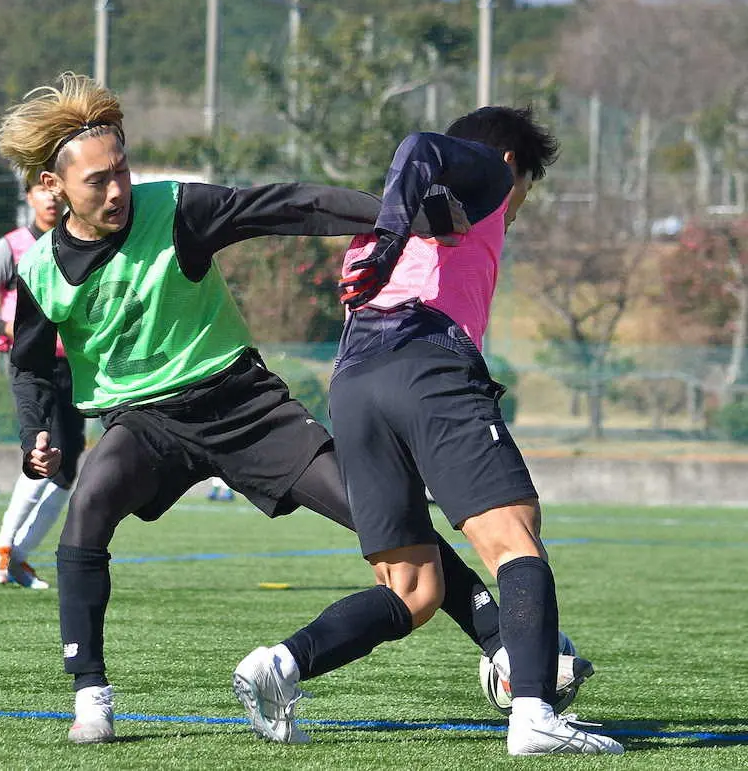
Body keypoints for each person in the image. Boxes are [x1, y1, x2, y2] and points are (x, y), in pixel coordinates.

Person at [0, 73, 575, 746]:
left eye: (122, 170)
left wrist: (397, 214)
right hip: (144, 421)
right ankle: (90, 694)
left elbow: (284, 205)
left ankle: (503, 643)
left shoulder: (174, 207)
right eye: (98, 181)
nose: (118, 189)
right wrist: (36, 427)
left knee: (384, 518)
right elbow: (31, 364)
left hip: (242, 404)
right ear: (52, 185)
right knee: (87, 508)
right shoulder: (36, 271)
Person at [233, 107, 624, 756]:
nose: (520, 202)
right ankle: (533, 712)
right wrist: (392, 237)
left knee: (414, 590)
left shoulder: (395, 207)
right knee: (514, 536)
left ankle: (278, 665)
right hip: (428, 359)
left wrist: (384, 236)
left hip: (354, 383)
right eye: (529, 183)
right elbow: (420, 146)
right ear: (509, 166)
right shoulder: (485, 179)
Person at [0, 180, 86, 590]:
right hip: (31, 362)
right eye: (40, 189)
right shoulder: (12, 246)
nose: (51, 197)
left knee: (69, 463)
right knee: (42, 448)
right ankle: (3, 544)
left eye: (56, 189)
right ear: (30, 197)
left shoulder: (80, 240)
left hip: (74, 363)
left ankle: (18, 557)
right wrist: (5, 326)